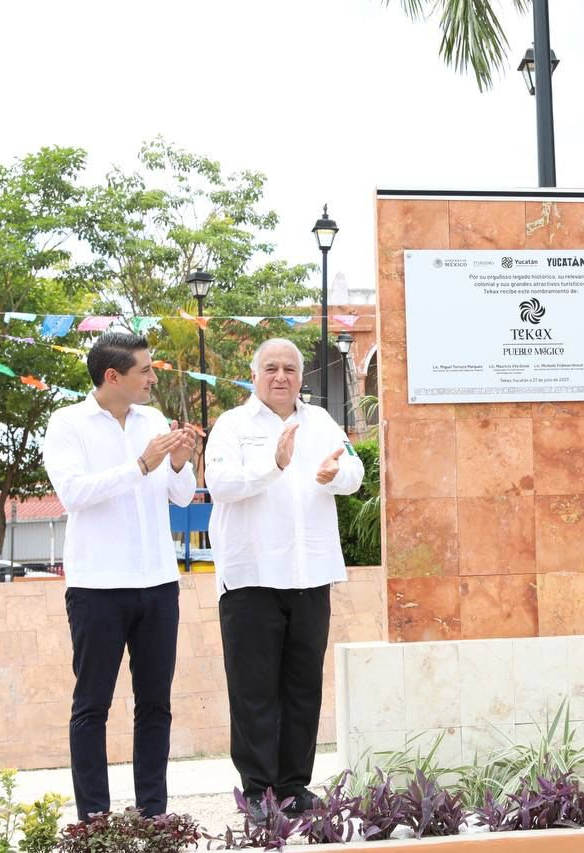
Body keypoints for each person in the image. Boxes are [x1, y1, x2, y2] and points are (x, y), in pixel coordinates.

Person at [42, 332, 197, 820]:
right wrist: (141, 464)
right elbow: (74, 494)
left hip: (157, 583)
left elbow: (181, 496)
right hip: (96, 588)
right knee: (92, 706)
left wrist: (177, 462)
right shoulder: (67, 423)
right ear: (113, 377)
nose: (153, 378)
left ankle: (153, 815)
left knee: (156, 705)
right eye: (145, 370)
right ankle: (94, 820)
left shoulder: (152, 420)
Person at [205, 338, 364, 813]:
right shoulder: (232, 425)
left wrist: (334, 476)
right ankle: (257, 791)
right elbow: (222, 485)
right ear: (254, 375)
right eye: (271, 368)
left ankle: (295, 786)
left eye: (290, 369)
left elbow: (353, 471)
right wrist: (273, 464)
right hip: (251, 575)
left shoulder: (320, 421)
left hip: (310, 572)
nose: (281, 376)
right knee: (253, 690)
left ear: (301, 377)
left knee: (302, 686)